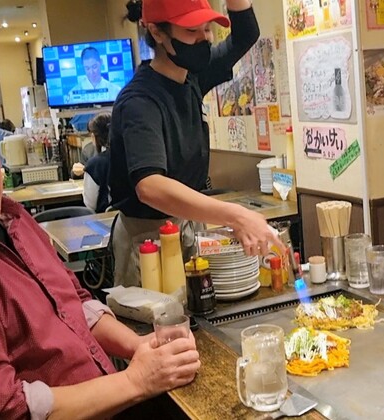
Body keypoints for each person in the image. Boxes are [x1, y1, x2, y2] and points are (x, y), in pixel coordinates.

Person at [0, 77, 199, 418]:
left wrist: (138, 346)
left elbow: (74, 302)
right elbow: (6, 411)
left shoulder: (10, 216)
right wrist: (137, 381)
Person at [109, 0, 283, 286]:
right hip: (147, 238)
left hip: (187, 224)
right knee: (158, 326)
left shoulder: (192, 77)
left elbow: (245, 34)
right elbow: (150, 186)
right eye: (192, 31)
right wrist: (236, 215)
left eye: (207, 29)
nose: (204, 39)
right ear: (158, 32)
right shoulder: (140, 101)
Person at [83, 112, 112, 213]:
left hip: (103, 222)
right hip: (130, 220)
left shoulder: (94, 164)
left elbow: (90, 204)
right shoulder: (131, 157)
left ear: (94, 136)